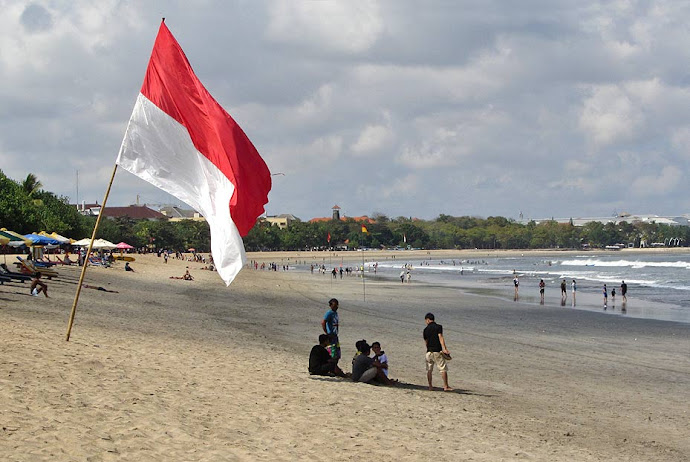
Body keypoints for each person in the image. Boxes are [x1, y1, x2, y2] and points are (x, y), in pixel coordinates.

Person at [423, 313, 452, 391]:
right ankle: (446, 386)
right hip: (437, 351)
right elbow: (440, 337)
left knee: (429, 369)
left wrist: (428, 349)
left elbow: (426, 341)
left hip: (429, 352)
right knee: (443, 369)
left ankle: (430, 386)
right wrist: (445, 348)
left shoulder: (425, 330)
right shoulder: (438, 327)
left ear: (428, 320)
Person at [321, 298, 341, 367]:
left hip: (335, 335)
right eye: (334, 305)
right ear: (331, 305)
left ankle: (334, 366)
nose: (336, 307)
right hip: (331, 335)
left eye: (337, 305)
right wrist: (327, 332)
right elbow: (323, 322)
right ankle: (332, 367)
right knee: (332, 353)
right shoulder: (329, 313)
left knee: (337, 353)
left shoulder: (335, 313)